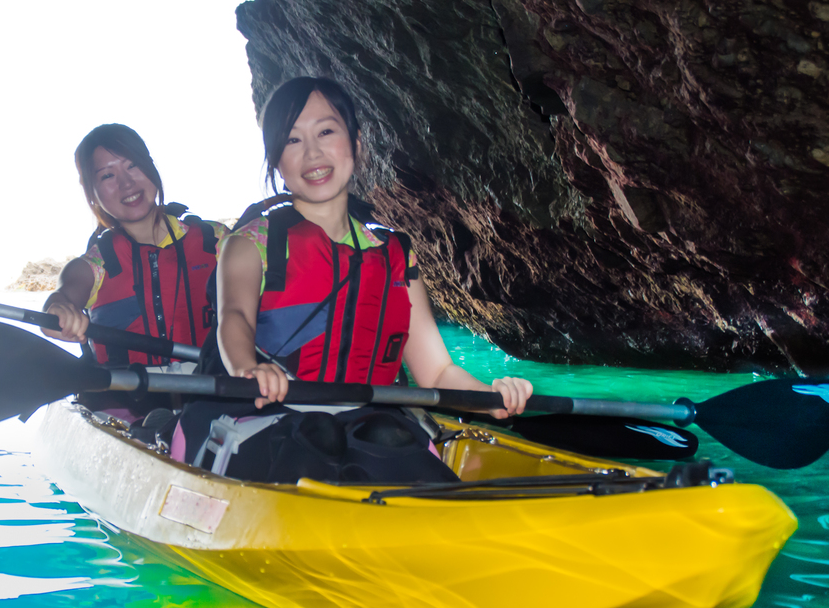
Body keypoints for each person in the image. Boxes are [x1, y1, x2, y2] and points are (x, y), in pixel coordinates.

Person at [178, 76, 533, 482]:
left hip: (366, 419)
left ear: (357, 144)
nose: (312, 153)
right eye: (292, 141)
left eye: (326, 131)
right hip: (269, 418)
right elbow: (234, 318)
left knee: (390, 434)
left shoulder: (395, 254)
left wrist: (490, 397)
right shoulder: (249, 244)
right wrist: (248, 368)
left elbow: (435, 374)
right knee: (317, 437)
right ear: (276, 160)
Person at [42, 124, 226, 367]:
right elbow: (65, 293)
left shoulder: (218, 241)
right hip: (127, 400)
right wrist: (59, 309)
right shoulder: (95, 264)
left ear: (150, 166)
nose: (127, 183)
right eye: (107, 175)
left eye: (132, 165)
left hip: (213, 394)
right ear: (91, 193)